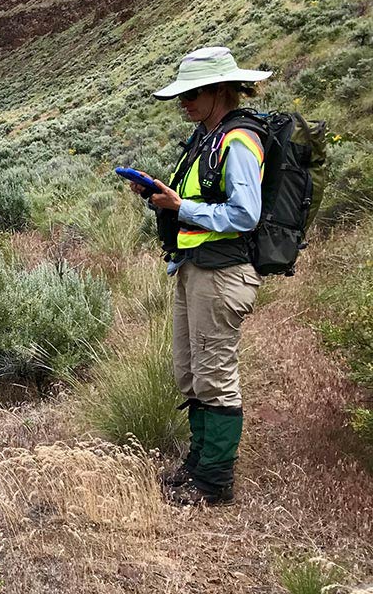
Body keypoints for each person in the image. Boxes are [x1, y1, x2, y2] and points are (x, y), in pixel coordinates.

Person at [130, 46, 272, 506]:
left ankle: (214, 483)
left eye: (192, 94)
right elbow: (195, 199)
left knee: (215, 374)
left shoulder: (239, 140)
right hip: (194, 270)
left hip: (223, 272)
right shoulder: (205, 138)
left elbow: (245, 214)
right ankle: (197, 464)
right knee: (191, 371)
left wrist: (180, 207)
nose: (184, 103)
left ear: (219, 90)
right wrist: (158, 195)